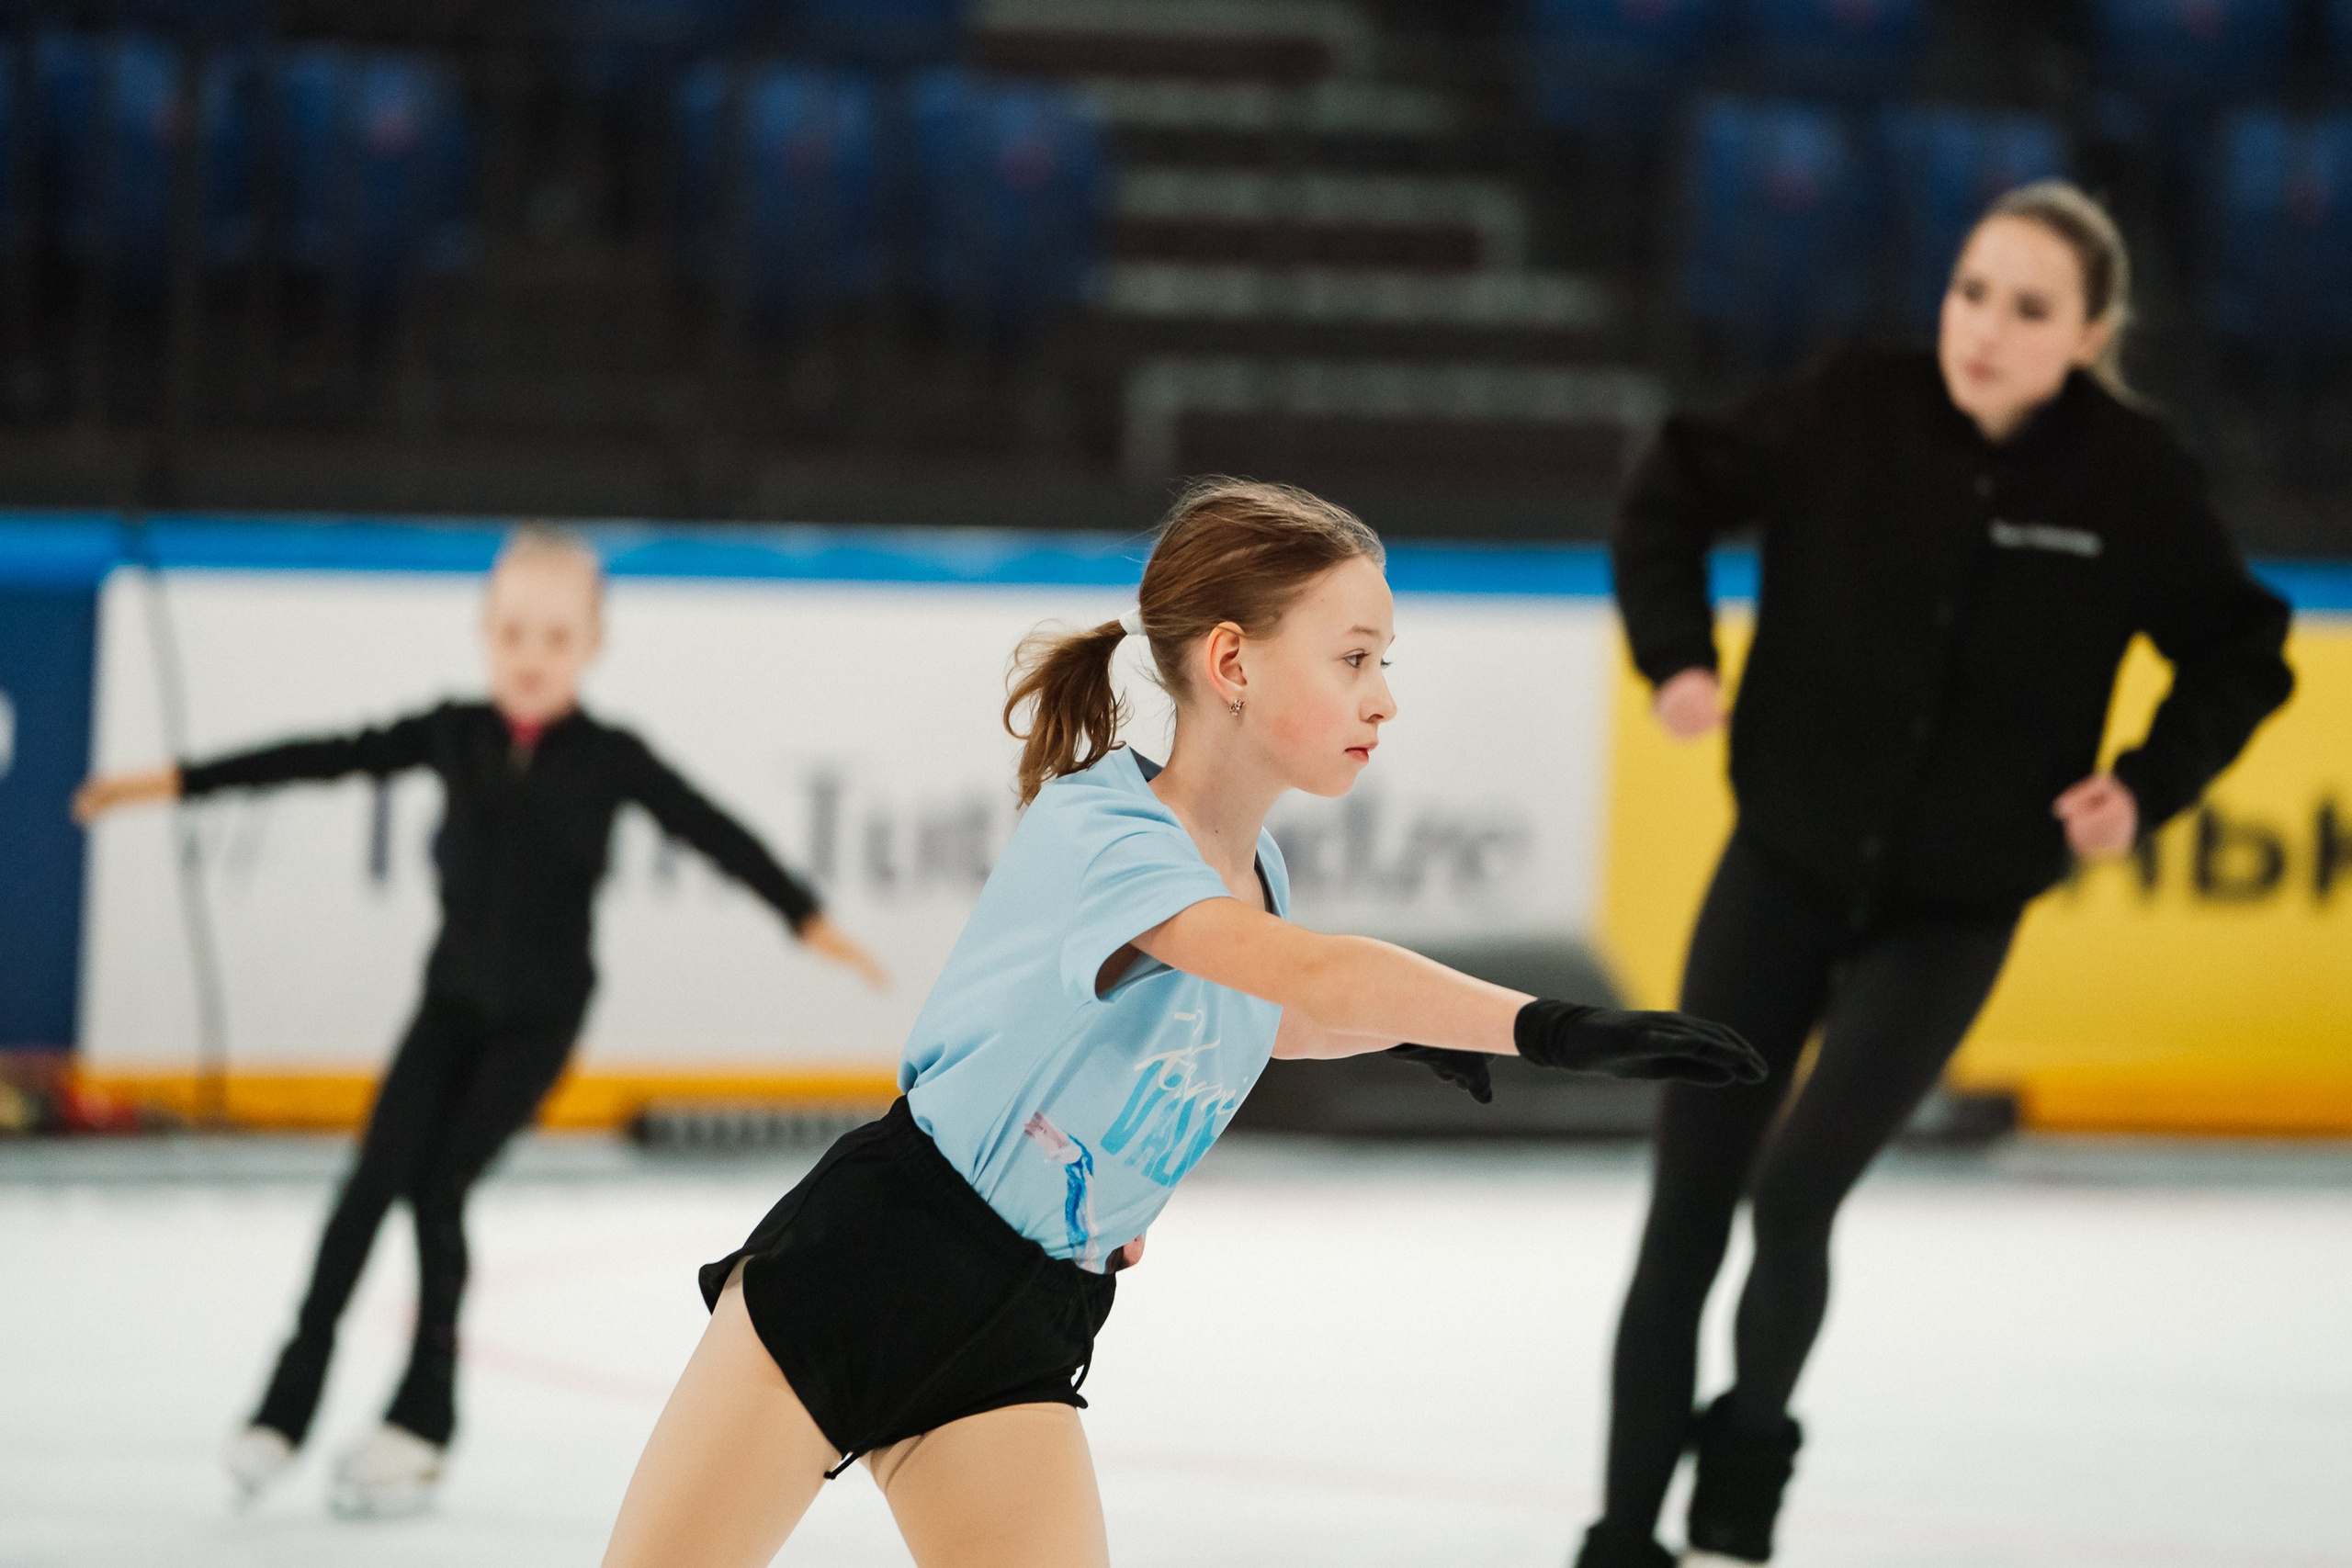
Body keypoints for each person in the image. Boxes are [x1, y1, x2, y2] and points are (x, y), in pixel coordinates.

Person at [598, 479, 1767, 1568]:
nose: (1384, 697)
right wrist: (1545, 1028)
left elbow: (1261, 1019)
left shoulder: (1253, 870)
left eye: (1385, 661)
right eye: (1354, 657)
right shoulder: (1104, 829)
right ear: (1231, 663)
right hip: (870, 1267)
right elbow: (1303, 979)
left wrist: (1412, 1033)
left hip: (1021, 1326)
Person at [1580, 181, 2297, 1567]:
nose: (1985, 327)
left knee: (1794, 1197)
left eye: (2029, 308)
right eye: (1972, 291)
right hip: (1781, 865)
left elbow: (2242, 645)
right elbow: (1668, 487)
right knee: (1685, 1213)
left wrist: (2147, 783)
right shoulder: (1851, 405)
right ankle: (1620, 1536)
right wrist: (1676, 653)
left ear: (2088, 334)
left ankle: (1749, 1451)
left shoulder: (2132, 479)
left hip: (1953, 909)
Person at [73, 525, 888, 1518]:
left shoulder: (607, 758)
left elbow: (710, 830)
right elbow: (320, 756)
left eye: (554, 635)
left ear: (591, 645)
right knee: (370, 1183)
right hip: (448, 1005)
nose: (530, 655)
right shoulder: (455, 733)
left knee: (438, 1184)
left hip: (539, 1025)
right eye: (513, 632)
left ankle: (421, 1422)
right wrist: (166, 783)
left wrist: (807, 918)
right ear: (484, 634)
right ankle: (286, 1406)